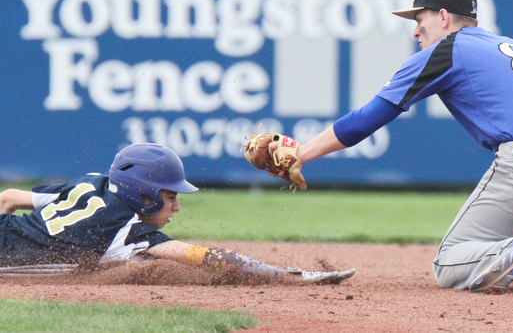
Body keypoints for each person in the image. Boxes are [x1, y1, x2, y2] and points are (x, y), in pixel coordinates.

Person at [267, 0, 513, 292]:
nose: (416, 30)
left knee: (448, 264)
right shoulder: (504, 43)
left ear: (443, 16)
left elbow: (366, 120)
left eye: (420, 19)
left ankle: (509, 248)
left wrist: (302, 152)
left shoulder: (446, 50)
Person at [0, 143, 355, 284]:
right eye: (168, 196)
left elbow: (8, 198)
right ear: (143, 195)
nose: (176, 206)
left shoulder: (92, 182)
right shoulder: (127, 229)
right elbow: (204, 257)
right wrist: (290, 277)